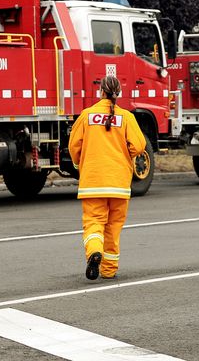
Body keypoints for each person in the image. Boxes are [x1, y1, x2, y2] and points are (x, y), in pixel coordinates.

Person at [68, 75, 146, 280]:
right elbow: (139, 145)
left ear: (101, 91)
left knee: (94, 223)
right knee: (113, 227)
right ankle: (109, 270)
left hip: (92, 182)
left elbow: (73, 146)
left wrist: (79, 163)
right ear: (118, 93)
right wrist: (125, 156)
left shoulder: (86, 116)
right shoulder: (127, 117)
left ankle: (95, 251)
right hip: (119, 184)